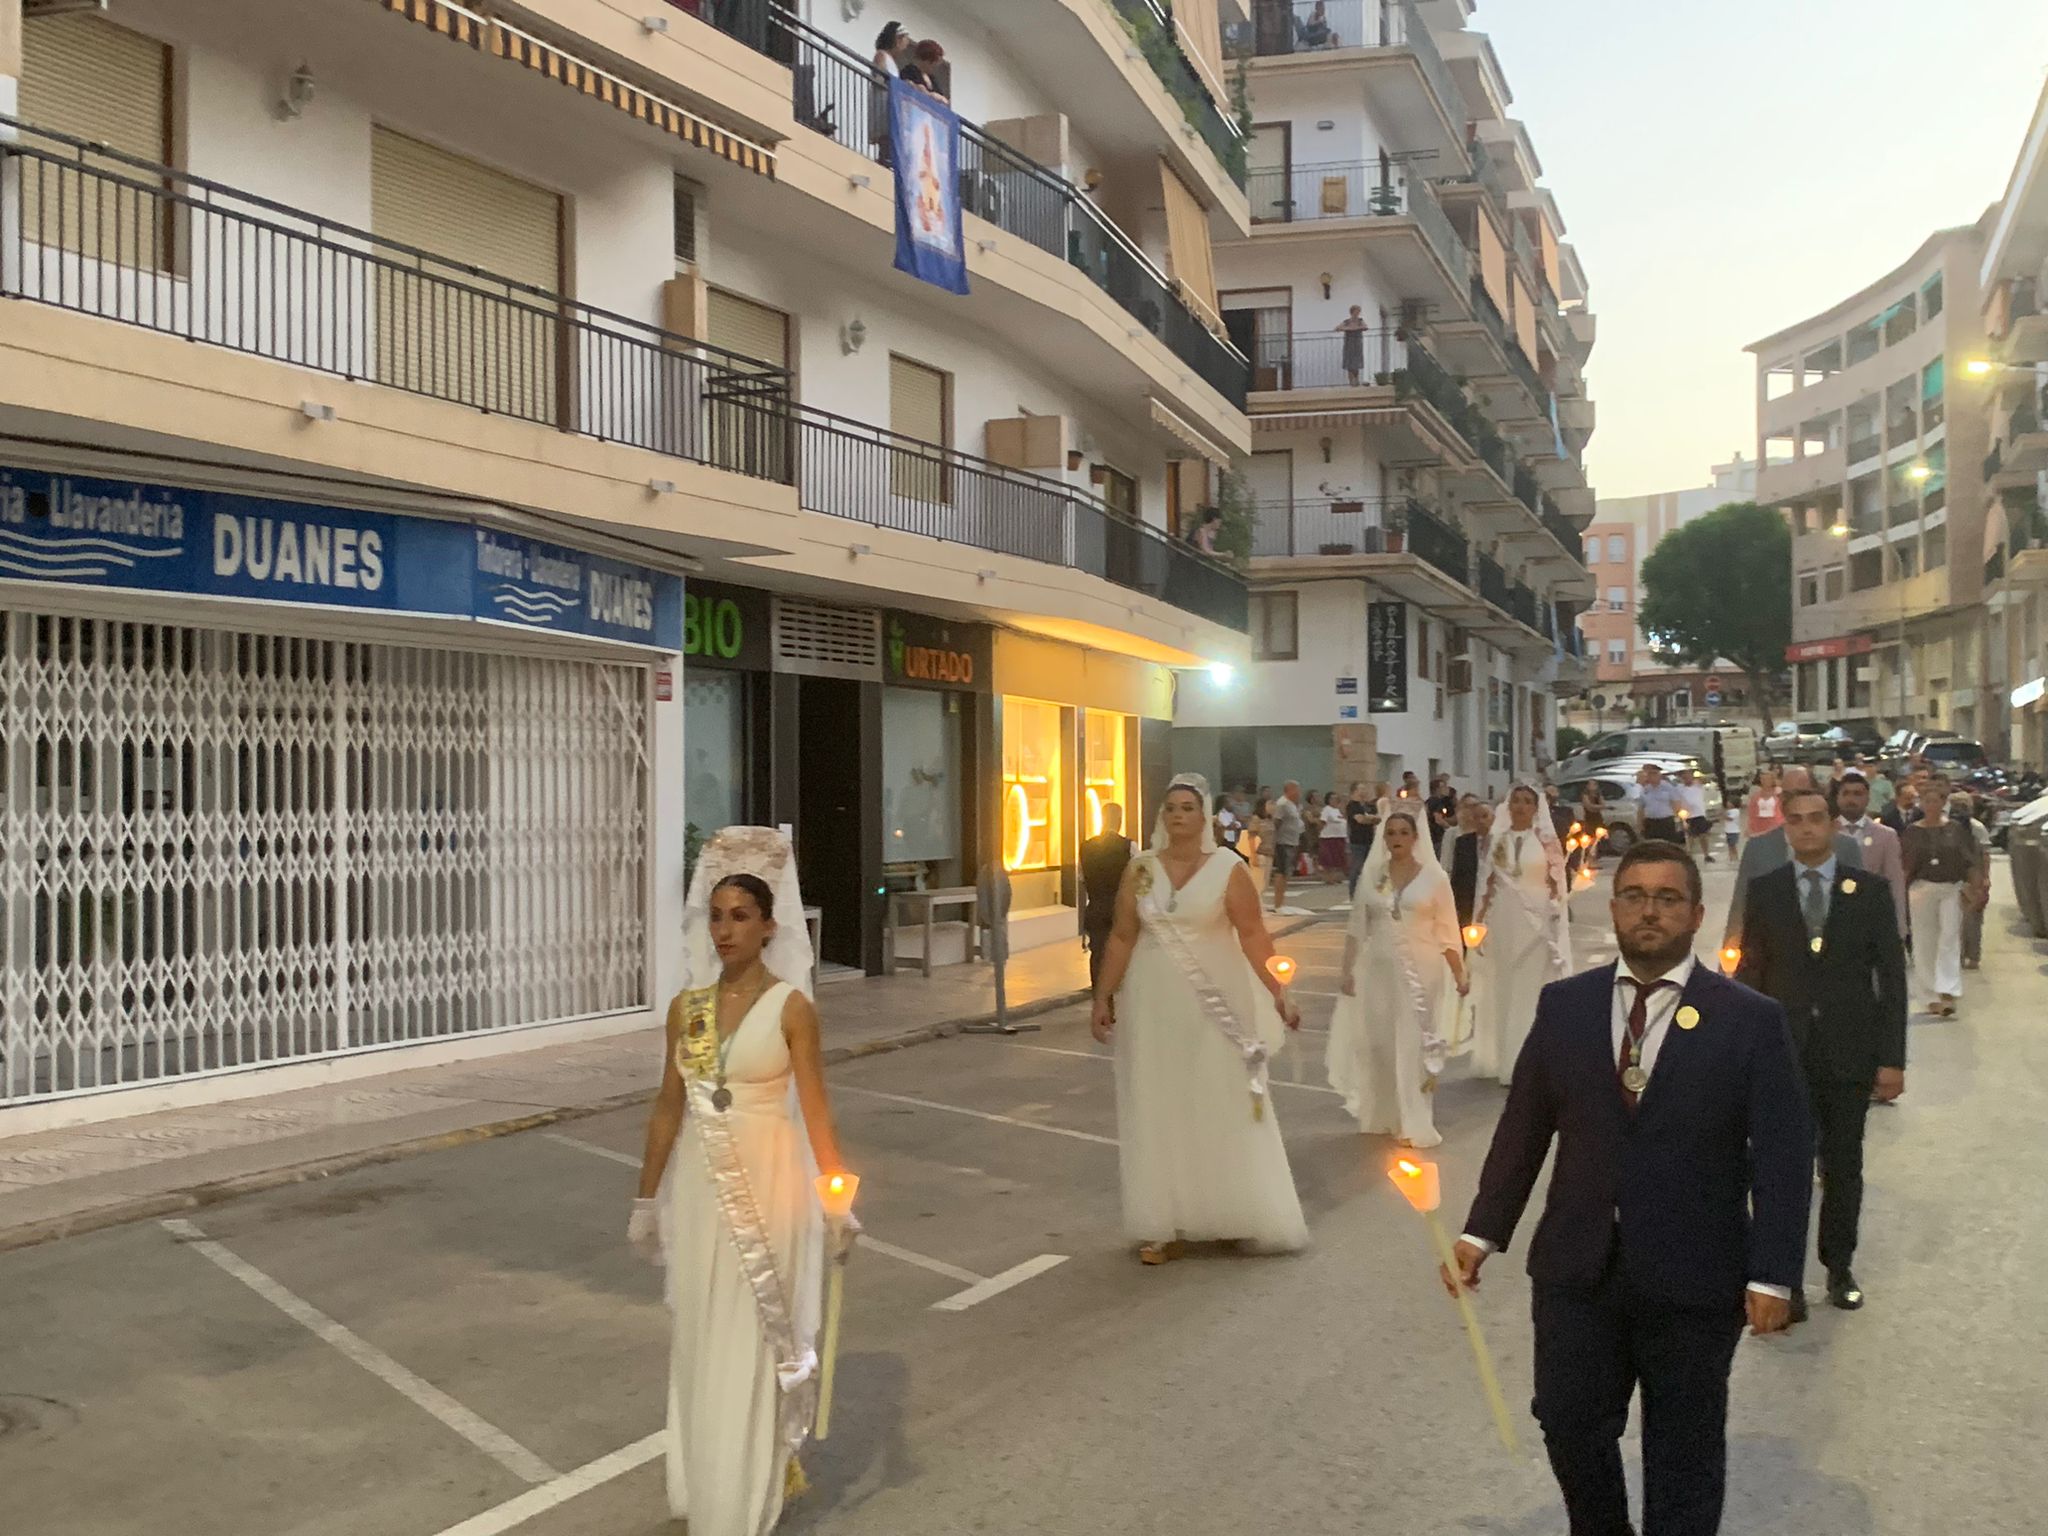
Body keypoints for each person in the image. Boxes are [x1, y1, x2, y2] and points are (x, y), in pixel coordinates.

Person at [1447, 840, 1813, 1536]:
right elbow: (1524, 1129)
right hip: (1579, 1268)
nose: (1650, 911)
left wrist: (1773, 1275)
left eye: (1667, 898)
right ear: (1614, 908)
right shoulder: (1565, 1007)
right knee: (1567, 1421)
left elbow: (1785, 1157)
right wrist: (1479, 1232)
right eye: (1636, 896)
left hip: (1695, 1277)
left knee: (1685, 1448)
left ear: (1696, 914)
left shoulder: (1749, 1020)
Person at [630, 828, 854, 1536]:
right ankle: (708, 1479)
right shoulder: (687, 1010)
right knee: (702, 1331)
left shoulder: (792, 1008)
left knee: (757, 1334)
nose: (726, 930)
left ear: (768, 927)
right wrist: (646, 1196)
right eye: (718, 916)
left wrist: (835, 1193)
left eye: (740, 917)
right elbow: (669, 1106)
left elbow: (815, 1107)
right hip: (702, 1188)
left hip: (771, 1182)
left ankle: (750, 1489)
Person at [1089, 775, 1308, 1262]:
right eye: (1170, 808)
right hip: (1153, 1000)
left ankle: (1229, 1212)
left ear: (1204, 816)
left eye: (1187, 808)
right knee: (1158, 1101)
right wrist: (1103, 996)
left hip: (1217, 1003)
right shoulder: (1140, 869)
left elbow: (1253, 936)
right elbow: (1122, 935)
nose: (1177, 816)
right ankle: (1162, 1223)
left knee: (1218, 1097)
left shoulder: (1228, 868)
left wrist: (1279, 993)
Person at [1736, 785, 1907, 1320]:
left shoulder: (1870, 890)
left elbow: (1892, 980)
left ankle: (1839, 1267)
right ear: (1784, 827)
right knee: (1780, 1171)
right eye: (1796, 820)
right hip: (1784, 1054)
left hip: (1848, 1053)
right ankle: (1782, 1281)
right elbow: (1752, 973)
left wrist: (1892, 1058)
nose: (1806, 828)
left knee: (1843, 1167)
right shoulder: (1766, 890)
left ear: (1833, 825)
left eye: (1816, 819)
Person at [1327, 806, 1468, 1147]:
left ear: (1415, 838)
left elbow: (1448, 930)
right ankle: (1382, 1114)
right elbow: (1358, 926)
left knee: (1412, 1044)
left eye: (1404, 833)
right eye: (1391, 833)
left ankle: (1414, 1119)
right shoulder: (1373, 875)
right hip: (1377, 968)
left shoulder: (1435, 879)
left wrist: (1460, 973)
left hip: (1421, 971)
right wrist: (1346, 970)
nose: (1397, 839)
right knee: (1378, 1043)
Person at [1470, 784, 1571, 1085]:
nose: (1521, 806)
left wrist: (1554, 911)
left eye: (1527, 802)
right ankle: (1506, 1059)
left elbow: (1556, 883)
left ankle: (1528, 1061)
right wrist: (1478, 923)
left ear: (1536, 807)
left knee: (1530, 988)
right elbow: (1486, 884)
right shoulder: (1496, 839)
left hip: (1536, 922)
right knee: (1504, 986)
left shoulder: (1546, 841)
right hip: (1504, 919)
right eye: (1516, 800)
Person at [1724, 767, 1860, 947]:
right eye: (1788, 795)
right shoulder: (1758, 848)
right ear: (1780, 800)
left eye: (1803, 793)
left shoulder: (1846, 847)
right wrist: (1729, 962)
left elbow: (1862, 909)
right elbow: (1740, 906)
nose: (1796, 801)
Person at [1901, 778, 1984, 1017]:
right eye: (1925, 801)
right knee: (1925, 941)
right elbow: (1905, 866)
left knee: (1949, 937)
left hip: (1950, 888)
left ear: (1943, 803)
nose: (1930, 805)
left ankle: (1947, 991)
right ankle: (1929, 996)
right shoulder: (1912, 832)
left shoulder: (1955, 829)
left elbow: (1969, 860)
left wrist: (1976, 888)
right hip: (1921, 889)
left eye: (1935, 801)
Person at [1834, 770, 1907, 938]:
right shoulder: (1825, 833)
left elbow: (1895, 882)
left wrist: (1899, 927)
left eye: (1857, 794)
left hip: (1873, 918)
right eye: (1846, 793)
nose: (1851, 799)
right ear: (1838, 798)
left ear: (1867, 798)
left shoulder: (1886, 836)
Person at [1080, 803, 1135, 992]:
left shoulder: (1086, 847)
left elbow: (1082, 879)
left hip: (1095, 908)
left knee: (1097, 955)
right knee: (1123, 951)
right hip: (1121, 909)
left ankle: (1101, 997)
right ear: (1120, 820)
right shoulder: (1129, 846)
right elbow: (1139, 879)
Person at [1953, 791, 1993, 969]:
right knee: (1954, 919)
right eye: (1956, 805)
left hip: (1974, 877)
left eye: (1963, 806)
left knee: (1973, 920)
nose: (1959, 809)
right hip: (1954, 877)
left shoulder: (1977, 828)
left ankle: (1973, 956)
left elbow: (1985, 853)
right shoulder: (1947, 826)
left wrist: (1985, 877)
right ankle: (1957, 955)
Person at [1448, 796, 1490, 931]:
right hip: (1468, 904)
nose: (1481, 821)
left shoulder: (1502, 843)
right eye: (1477, 817)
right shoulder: (1463, 843)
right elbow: (1457, 878)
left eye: (1485, 816)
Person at [1270, 780, 1305, 913]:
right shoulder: (1282, 804)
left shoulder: (1293, 805)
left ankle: (1282, 901)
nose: (1298, 793)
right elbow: (1277, 822)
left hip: (1292, 841)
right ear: (1289, 790)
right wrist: (1274, 840)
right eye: (1296, 790)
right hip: (1283, 842)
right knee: (1281, 872)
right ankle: (1277, 903)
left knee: (1286, 872)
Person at [1635, 761, 1685, 844]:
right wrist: (1640, 824)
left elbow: (1676, 804)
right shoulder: (1645, 789)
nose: (1651, 776)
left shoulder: (1668, 787)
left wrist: (1677, 819)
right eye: (1649, 774)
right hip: (1650, 822)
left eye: (1654, 774)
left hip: (1665, 822)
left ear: (1659, 775)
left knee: (1667, 845)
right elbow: (1641, 808)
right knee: (1652, 846)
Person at [1345, 781, 1381, 894]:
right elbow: (1360, 819)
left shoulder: (1365, 806)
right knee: (1357, 867)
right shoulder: (1352, 806)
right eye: (1362, 789)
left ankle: (1369, 891)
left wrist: (1371, 818)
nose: (1364, 791)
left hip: (1369, 839)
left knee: (1371, 867)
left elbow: (1374, 817)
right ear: (1355, 791)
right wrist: (1371, 819)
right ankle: (1353, 892)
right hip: (1358, 841)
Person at [1678, 768, 1714, 863]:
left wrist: (1698, 775)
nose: (1687, 778)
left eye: (1689, 775)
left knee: (1703, 835)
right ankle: (1688, 855)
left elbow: (1707, 779)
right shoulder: (1679, 788)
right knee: (1690, 837)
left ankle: (1706, 854)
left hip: (1699, 814)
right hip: (1687, 815)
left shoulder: (1697, 785)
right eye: (1684, 776)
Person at [1744, 768, 1784, 844]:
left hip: (1776, 827)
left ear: (1772, 780)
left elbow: (1785, 809)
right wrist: (1749, 828)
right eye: (1763, 779)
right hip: (1760, 827)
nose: (1765, 781)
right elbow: (1751, 813)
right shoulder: (1756, 796)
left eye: (1767, 779)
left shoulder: (1779, 794)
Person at [1334, 304, 1371, 385]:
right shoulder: (1347, 322)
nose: (1357, 313)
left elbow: (1365, 327)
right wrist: (1349, 329)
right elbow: (1337, 328)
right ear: (1352, 312)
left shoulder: (1360, 320)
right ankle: (1351, 382)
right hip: (1349, 344)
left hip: (1357, 344)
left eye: (1358, 312)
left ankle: (1356, 380)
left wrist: (1354, 328)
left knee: (1356, 363)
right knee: (1349, 363)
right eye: (1356, 311)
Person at [1424, 774, 1459, 858]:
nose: (1447, 789)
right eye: (1444, 787)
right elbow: (1438, 819)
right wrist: (1451, 830)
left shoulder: (1429, 801)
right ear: (1437, 789)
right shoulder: (1436, 801)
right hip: (1437, 837)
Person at [1318, 791, 1349, 882]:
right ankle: (1328, 878)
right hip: (1329, 837)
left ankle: (1336, 877)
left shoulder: (1338, 810)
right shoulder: (1326, 809)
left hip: (1339, 836)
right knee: (1329, 859)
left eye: (1336, 798)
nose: (1335, 800)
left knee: (1338, 858)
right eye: (1332, 798)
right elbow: (1322, 822)